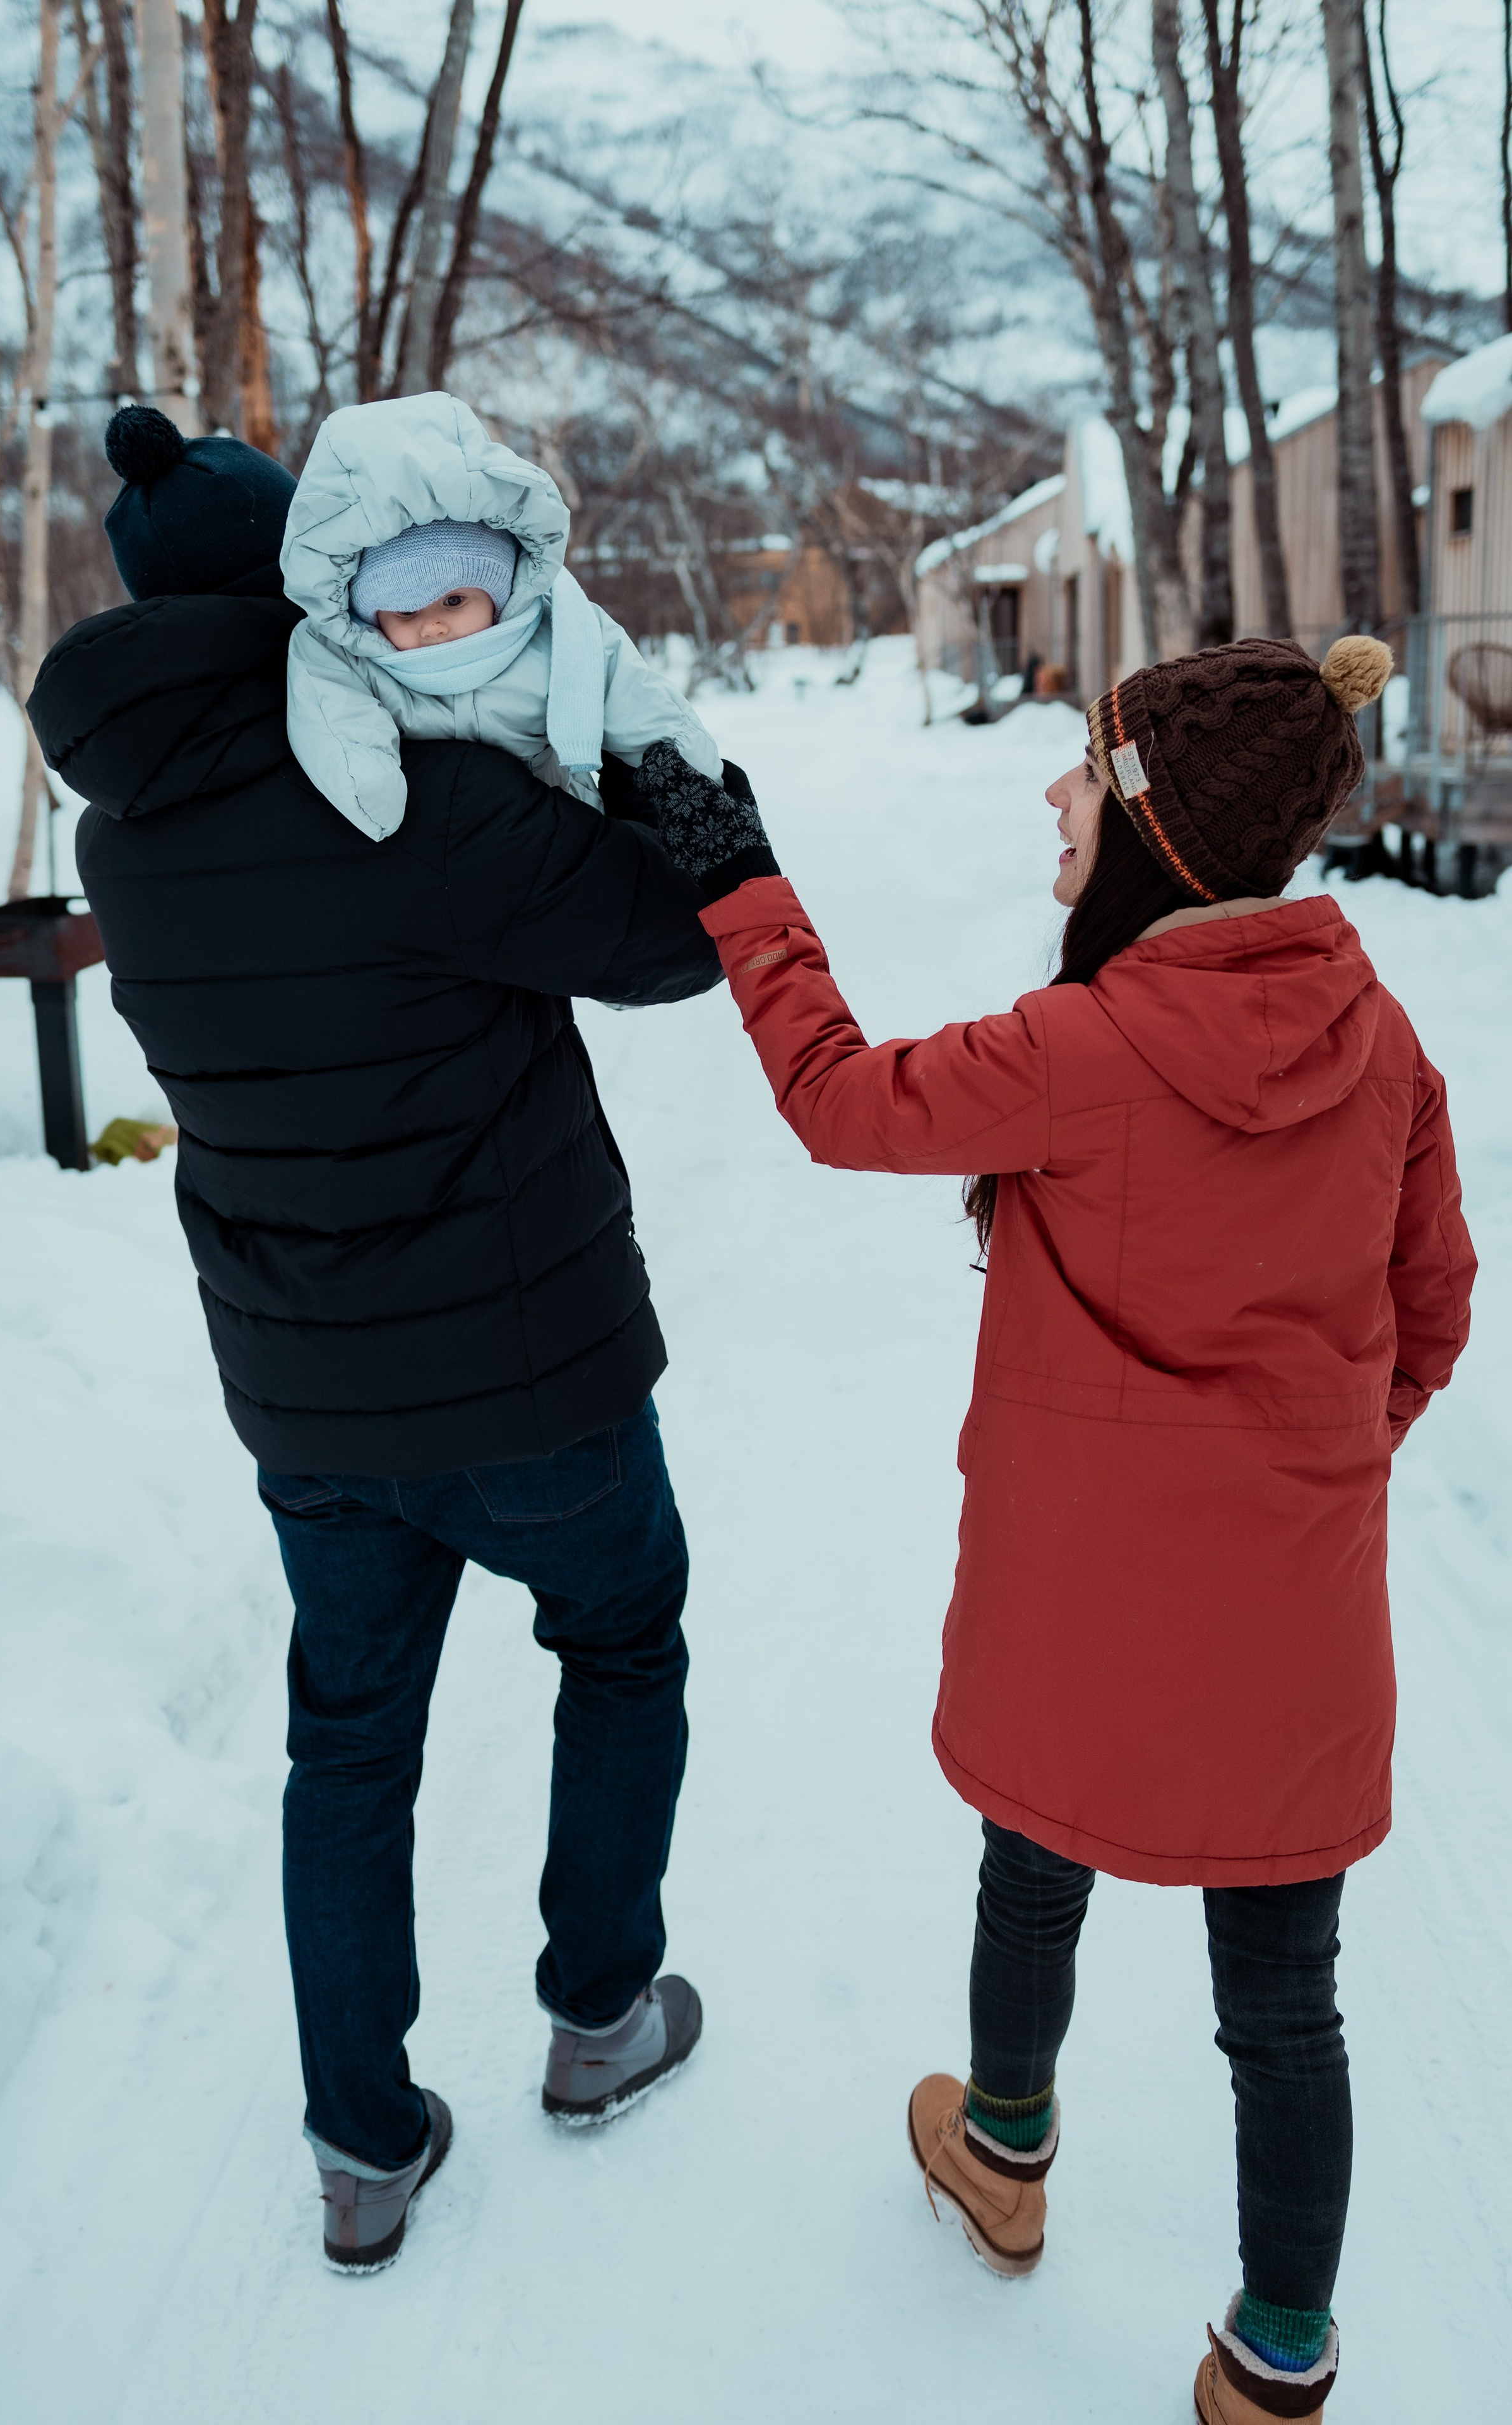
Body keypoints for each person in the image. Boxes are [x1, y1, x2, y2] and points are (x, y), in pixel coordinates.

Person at [632, 640, 1474, 2423]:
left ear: (1161, 834)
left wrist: (741, 886)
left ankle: (1004, 2156)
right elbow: (1437, 1306)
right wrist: (1323, 1454)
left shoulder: (1084, 1047)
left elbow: (837, 1099)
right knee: (1286, 2000)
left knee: (1036, 1866)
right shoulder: (1383, 1041)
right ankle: (1280, 2361)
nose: (1053, 795)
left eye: (1085, 772)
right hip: (1293, 1617)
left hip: (1075, 1599)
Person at [28, 406, 754, 2273]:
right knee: (622, 1635)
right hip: (538, 1366)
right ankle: (600, 2017)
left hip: (304, 1384)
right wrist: (650, 747)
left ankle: (363, 2143)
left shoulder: (123, 841)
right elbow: (685, 933)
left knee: (345, 1743)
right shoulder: (407, 786)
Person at [280, 390, 723, 841]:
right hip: (437, 845)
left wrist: (686, 764)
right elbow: (336, 714)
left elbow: (629, 693)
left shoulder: (558, 634)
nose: (433, 627)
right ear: (370, 617)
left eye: (454, 601)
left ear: (497, 593)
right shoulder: (355, 660)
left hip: (569, 836)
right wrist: (367, 782)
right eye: (407, 611)